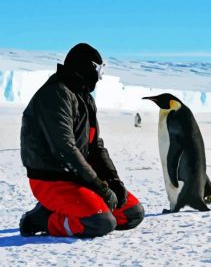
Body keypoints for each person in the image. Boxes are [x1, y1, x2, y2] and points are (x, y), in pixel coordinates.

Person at [19, 43, 144, 238]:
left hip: (80, 176)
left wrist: (113, 181)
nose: (100, 76)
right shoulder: (55, 94)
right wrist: (100, 188)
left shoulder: (84, 97)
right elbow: (65, 149)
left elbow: (96, 146)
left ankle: (72, 208)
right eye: (98, 69)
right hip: (51, 178)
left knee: (132, 214)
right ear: (86, 67)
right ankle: (44, 219)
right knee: (100, 223)